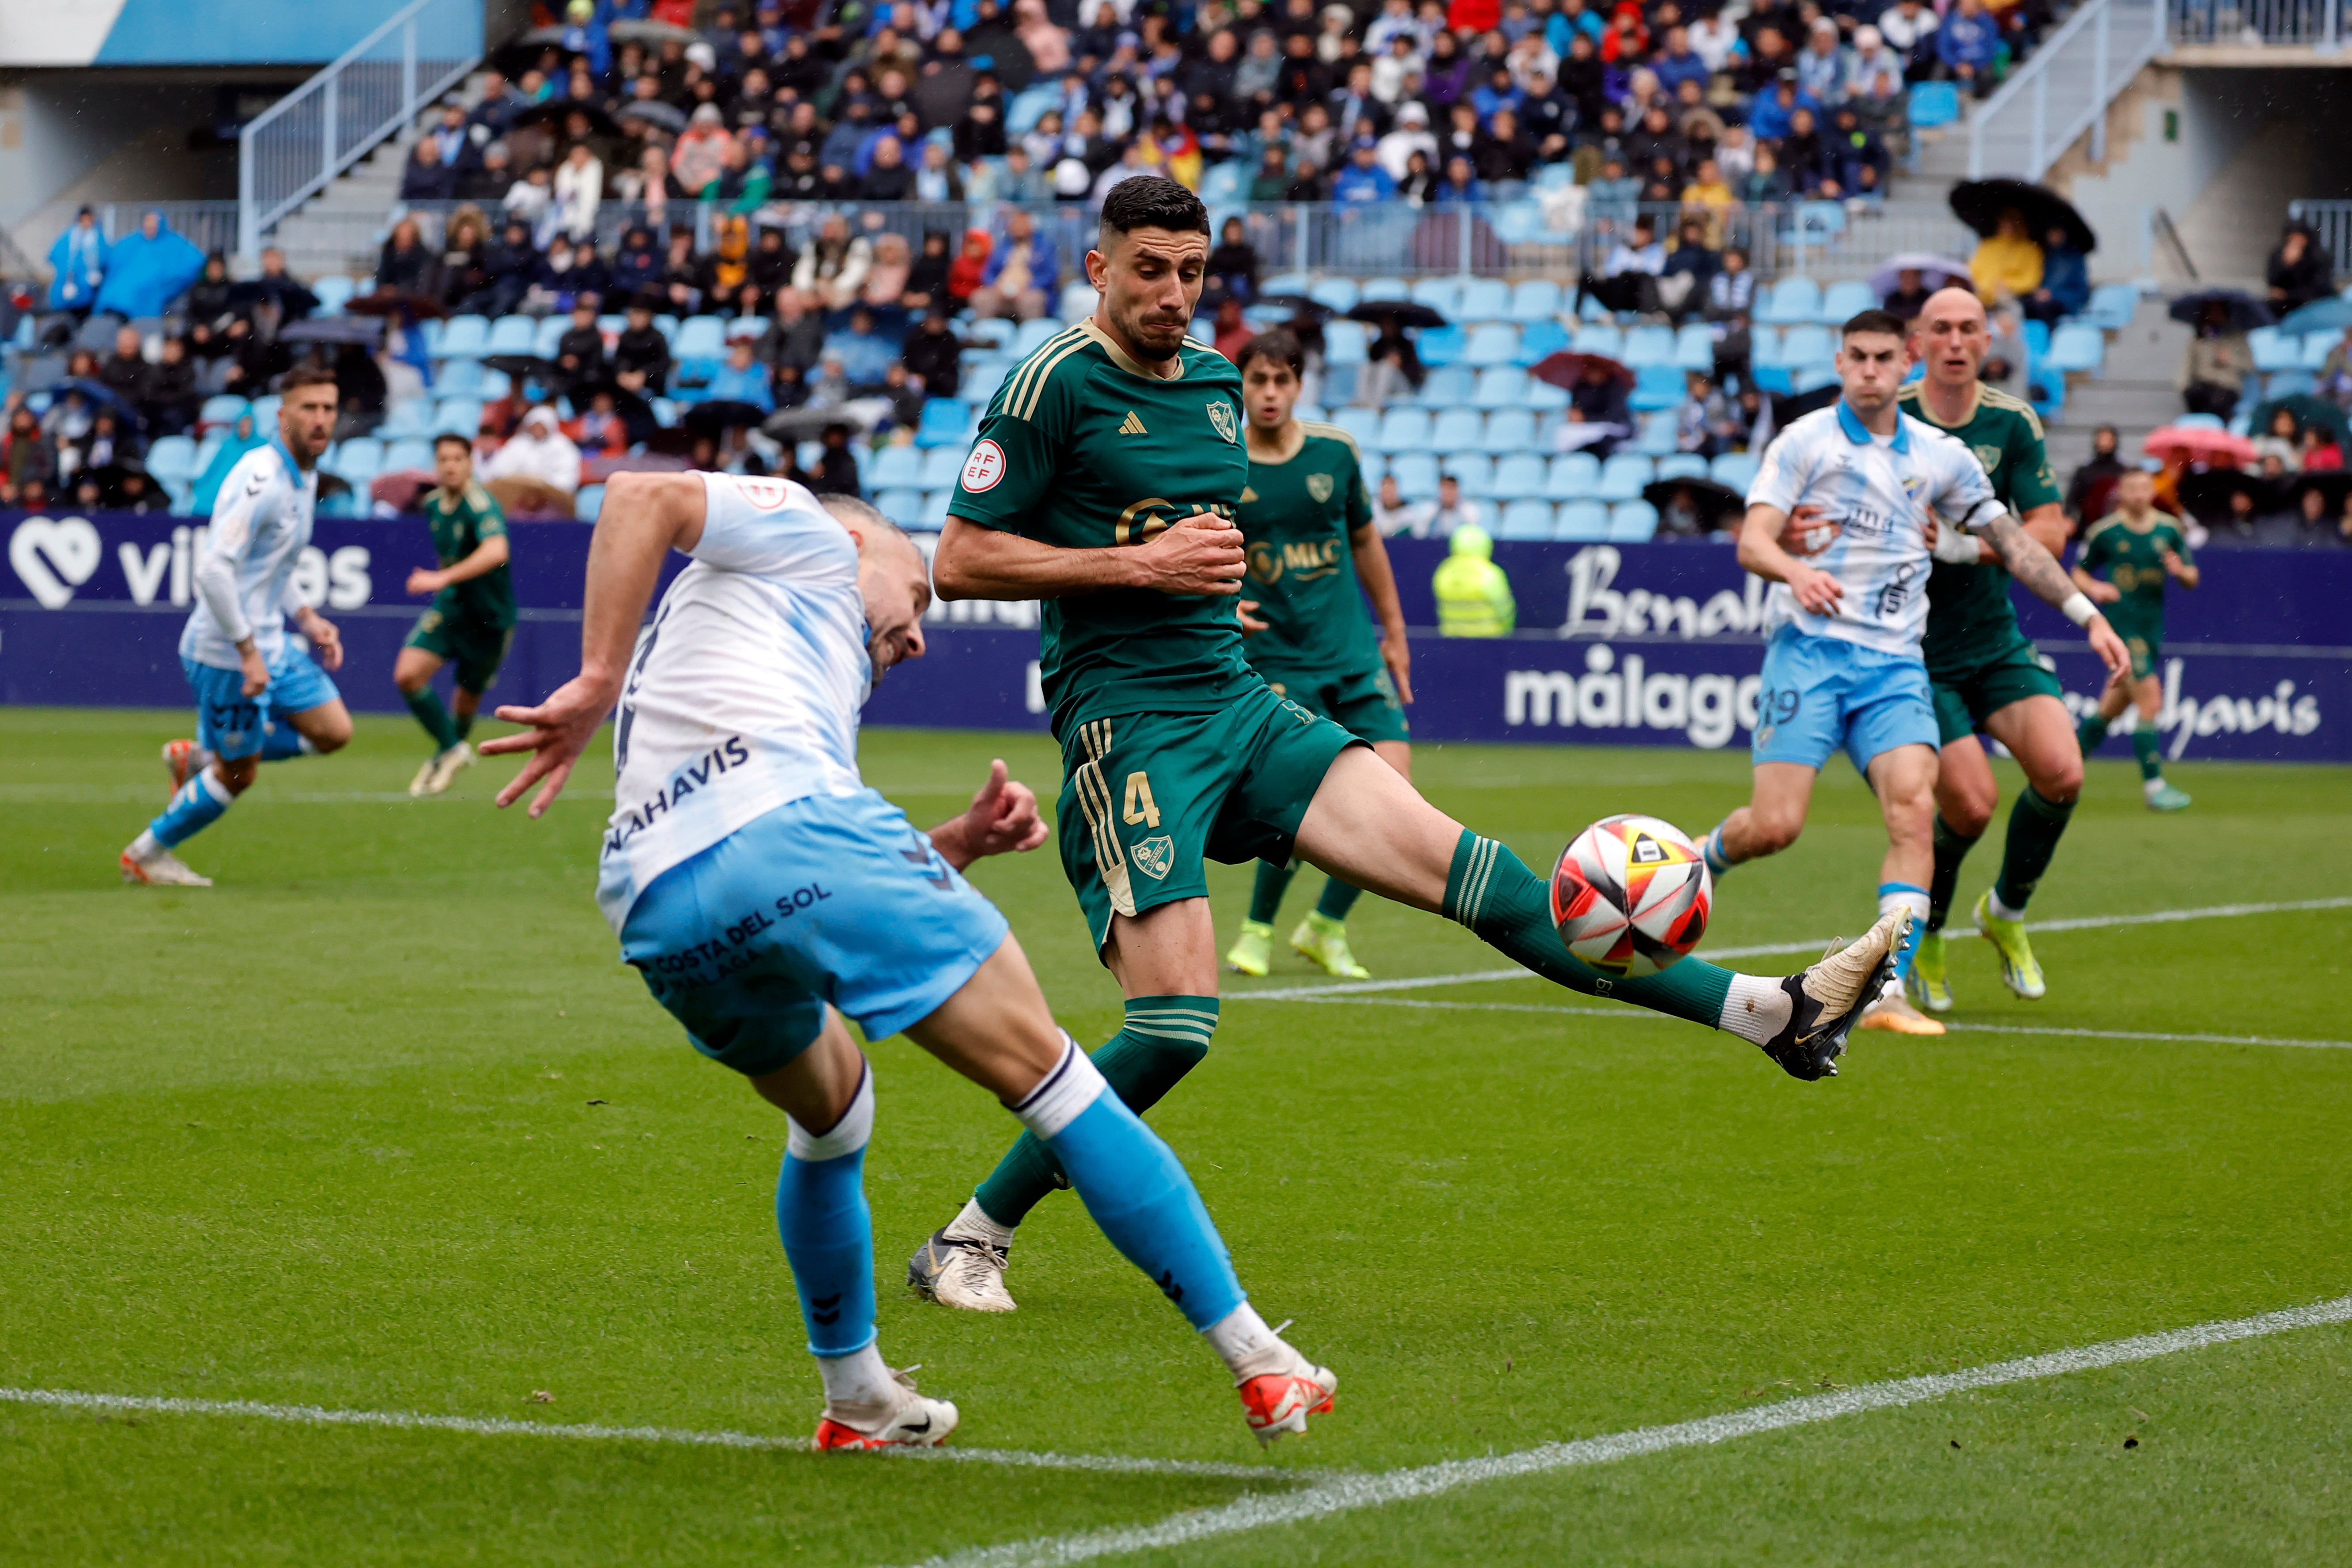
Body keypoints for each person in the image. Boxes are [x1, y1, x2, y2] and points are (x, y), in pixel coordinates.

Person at [902, 178, 1904, 1315]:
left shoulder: (1223, 386)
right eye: (1149, 269)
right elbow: (963, 558)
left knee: (1487, 879)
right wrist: (1140, 570)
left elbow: (1196, 538)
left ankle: (1774, 1014)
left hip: (1238, 700)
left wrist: (1201, 587)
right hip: (1129, 728)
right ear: (1099, 267)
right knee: (1176, 1025)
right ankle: (969, 1238)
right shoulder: (1050, 383)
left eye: (1190, 272)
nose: (1174, 294)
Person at [480, 472, 1339, 1448]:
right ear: (859, 543)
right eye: (919, 594)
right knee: (1054, 1077)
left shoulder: (763, 635)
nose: (921, 633)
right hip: (790, 830)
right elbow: (638, 496)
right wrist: (594, 676)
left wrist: (957, 843)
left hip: (657, 898)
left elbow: (791, 887)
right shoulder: (809, 530)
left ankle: (856, 1397)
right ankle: (1260, 1358)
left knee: (833, 1108)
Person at [1695, 310, 2020, 1031]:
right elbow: (1752, 542)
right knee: (1775, 826)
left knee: (1913, 809)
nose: (1870, 369)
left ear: (1906, 364)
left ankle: (1885, 994)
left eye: (1883, 358)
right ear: (1840, 362)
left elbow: (2000, 534)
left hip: (1896, 663)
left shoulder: (1934, 456)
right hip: (1808, 652)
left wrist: (2080, 608)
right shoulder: (1802, 441)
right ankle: (1702, 859)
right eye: (1857, 357)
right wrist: (1792, 570)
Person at [1851, 288, 2129, 1018]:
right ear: (1916, 343)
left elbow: (2049, 532)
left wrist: (1961, 546)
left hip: (1993, 638)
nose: (1953, 340)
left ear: (1986, 340)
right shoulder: (1886, 418)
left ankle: (2004, 909)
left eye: (1967, 328)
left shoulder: (2011, 422)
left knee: (2063, 772)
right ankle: (1930, 932)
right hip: (1911, 650)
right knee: (1969, 806)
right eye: (1938, 329)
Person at [1221, 332, 1415, 982]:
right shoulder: (1221, 462)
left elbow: (1365, 542)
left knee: (1397, 795)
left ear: (1299, 385)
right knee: (1298, 807)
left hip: (1351, 654)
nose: (1268, 393)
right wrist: (1221, 604)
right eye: (1257, 380)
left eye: (1280, 380)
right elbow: (1193, 547)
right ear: (1241, 385)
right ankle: (1256, 929)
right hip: (1276, 661)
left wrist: (1393, 631)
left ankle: (1325, 925)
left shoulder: (1334, 453)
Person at [121, 370, 353, 888]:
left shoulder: (306, 473)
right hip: (226, 651)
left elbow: (271, 564)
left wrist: (308, 617)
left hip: (271, 638)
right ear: (283, 415)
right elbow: (213, 569)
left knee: (333, 730)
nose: (320, 419)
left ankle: (200, 757)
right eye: (308, 408)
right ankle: (146, 853)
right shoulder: (262, 479)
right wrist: (248, 652)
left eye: (328, 408)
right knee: (238, 773)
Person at [395, 434, 517, 797]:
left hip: (489, 620)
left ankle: (446, 753)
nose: (450, 466)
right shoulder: (433, 504)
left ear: (470, 463)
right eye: (444, 459)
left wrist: (441, 578)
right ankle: (451, 750)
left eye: (458, 459)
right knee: (407, 675)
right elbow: (447, 555)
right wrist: (444, 582)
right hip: (452, 609)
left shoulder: (480, 504)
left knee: (465, 701)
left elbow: (497, 550)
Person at [2073, 469, 2199, 809]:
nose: (2140, 494)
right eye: (2132, 488)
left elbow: (2192, 577)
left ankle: (2060, 773)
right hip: (2119, 629)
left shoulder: (2169, 529)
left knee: (2108, 710)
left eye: (2145, 487)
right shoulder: (2105, 532)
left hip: (2150, 628)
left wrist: (2180, 572)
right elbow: (2077, 573)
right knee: (2150, 701)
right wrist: (2096, 587)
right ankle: (2154, 786)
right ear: (2122, 493)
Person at [481, 405, 584, 516]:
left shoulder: (563, 446)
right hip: (518, 499)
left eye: (542, 426)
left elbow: (568, 477)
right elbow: (499, 470)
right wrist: (524, 480)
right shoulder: (517, 444)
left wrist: (542, 483)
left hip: (551, 501)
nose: (538, 430)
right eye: (535, 426)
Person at [1432, 520, 1514, 635]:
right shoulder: (1489, 573)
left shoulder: (1443, 571)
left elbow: (1439, 608)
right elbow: (1505, 611)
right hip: (1488, 640)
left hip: (1452, 640)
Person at [2181, 300, 2251, 420]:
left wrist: (2230, 359)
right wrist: (2184, 386)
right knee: (2195, 395)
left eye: (2219, 311)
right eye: (2212, 311)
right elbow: (2188, 364)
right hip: (2204, 383)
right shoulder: (2199, 339)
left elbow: (2250, 365)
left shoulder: (2237, 338)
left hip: (2228, 385)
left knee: (2219, 402)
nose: (2215, 315)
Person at [1968, 208, 2042, 304]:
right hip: (1981, 297)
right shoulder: (1987, 246)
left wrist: (2008, 284)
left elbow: (2031, 281)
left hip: (2012, 299)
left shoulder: (2030, 250)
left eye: (2015, 220)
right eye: (2006, 220)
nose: (2010, 224)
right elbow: (1971, 272)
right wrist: (1984, 290)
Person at [2064, 424, 2129, 524]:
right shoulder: (2084, 471)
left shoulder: (2123, 471)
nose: (2105, 444)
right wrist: (2071, 519)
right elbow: (2072, 500)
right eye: (2102, 439)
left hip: (2116, 522)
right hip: (2087, 524)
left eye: (2109, 440)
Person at [48, 208, 107, 314]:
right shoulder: (69, 236)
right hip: (68, 283)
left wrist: (97, 272)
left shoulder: (97, 237)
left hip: (89, 287)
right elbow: (56, 255)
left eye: (89, 220)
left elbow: (105, 257)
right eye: (84, 220)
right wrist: (68, 277)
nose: (87, 223)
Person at [2266, 224, 2333, 317]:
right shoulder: (2279, 254)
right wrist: (2286, 266)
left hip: (2313, 304)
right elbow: (2273, 283)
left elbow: (2318, 287)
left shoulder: (2317, 257)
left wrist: (2288, 295)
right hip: (2284, 306)